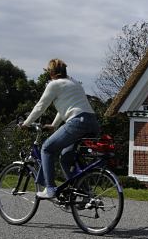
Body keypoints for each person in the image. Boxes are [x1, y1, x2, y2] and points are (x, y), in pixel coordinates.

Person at [21, 59, 100, 199]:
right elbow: (66, 107)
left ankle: (50, 188)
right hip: (92, 122)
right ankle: (85, 193)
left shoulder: (54, 85)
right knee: (65, 157)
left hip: (77, 123)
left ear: (51, 73)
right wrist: (54, 125)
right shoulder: (74, 83)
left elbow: (40, 107)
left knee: (46, 148)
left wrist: (26, 123)